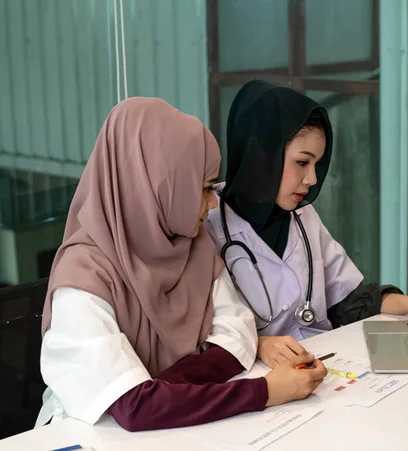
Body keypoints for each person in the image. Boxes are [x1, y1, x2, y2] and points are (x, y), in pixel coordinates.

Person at [36, 97, 327, 432]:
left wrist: (160, 389)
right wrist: (264, 391)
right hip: (90, 434)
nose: (213, 201)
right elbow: (134, 409)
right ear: (158, 186)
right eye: (204, 188)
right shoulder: (82, 276)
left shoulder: (193, 245)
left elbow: (238, 337)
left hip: (180, 425)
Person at [205, 80, 408, 368]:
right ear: (262, 155)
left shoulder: (302, 216)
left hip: (326, 362)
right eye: (302, 163)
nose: (311, 180)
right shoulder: (207, 228)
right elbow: (200, 337)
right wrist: (258, 344)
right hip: (262, 379)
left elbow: (349, 301)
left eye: (317, 165)